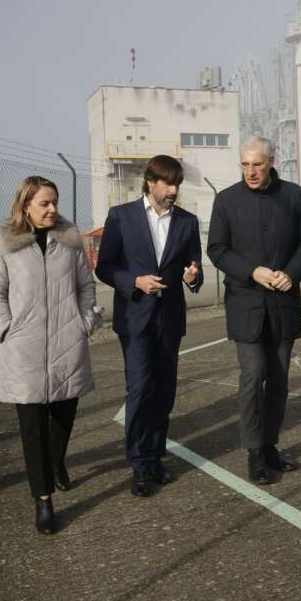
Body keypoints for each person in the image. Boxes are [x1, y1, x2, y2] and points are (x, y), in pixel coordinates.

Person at [0, 176, 99, 534]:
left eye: (55, 203)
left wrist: (85, 321)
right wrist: (6, 329)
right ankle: (43, 501)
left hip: (68, 344)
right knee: (32, 429)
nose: (52, 209)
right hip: (23, 349)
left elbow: (85, 285)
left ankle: (56, 462)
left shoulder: (69, 238)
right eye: (44, 204)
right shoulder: (6, 242)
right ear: (26, 206)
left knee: (63, 419)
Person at [207, 137, 301, 485]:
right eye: (245, 164)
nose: (251, 171)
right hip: (246, 305)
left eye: (257, 164)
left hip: (284, 305)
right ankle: (254, 452)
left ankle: (271, 445)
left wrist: (292, 273)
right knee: (253, 375)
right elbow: (217, 249)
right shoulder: (226, 201)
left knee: (279, 381)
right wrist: (251, 271)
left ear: (272, 161)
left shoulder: (294, 196)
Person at [95, 155, 203, 498]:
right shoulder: (121, 217)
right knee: (140, 389)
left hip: (170, 320)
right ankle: (139, 464)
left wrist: (193, 277)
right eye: (168, 184)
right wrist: (134, 281)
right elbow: (105, 267)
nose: (173, 191)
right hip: (135, 318)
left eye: (177, 185)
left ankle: (156, 456)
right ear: (150, 182)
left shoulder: (187, 222)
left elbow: (194, 268)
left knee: (164, 392)